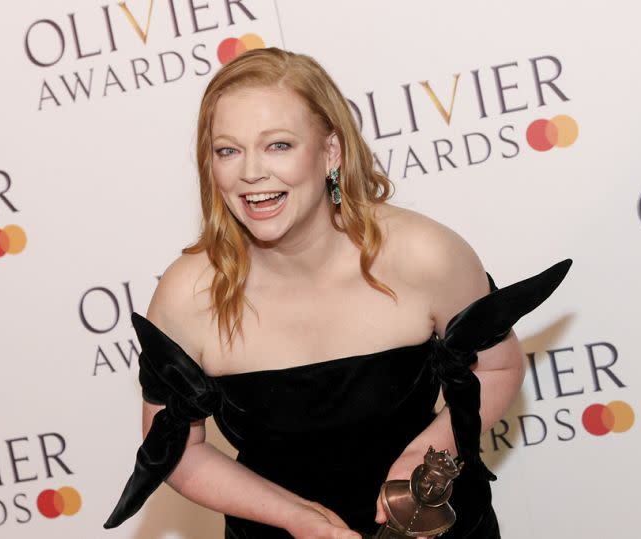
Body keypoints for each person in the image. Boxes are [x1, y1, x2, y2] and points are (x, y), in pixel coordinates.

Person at [103, 47, 571, 538]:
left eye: (278, 145)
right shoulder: (187, 295)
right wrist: (296, 518)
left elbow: (497, 366)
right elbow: (177, 448)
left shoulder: (425, 255)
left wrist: (428, 451)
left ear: (331, 151)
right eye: (228, 150)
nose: (250, 172)